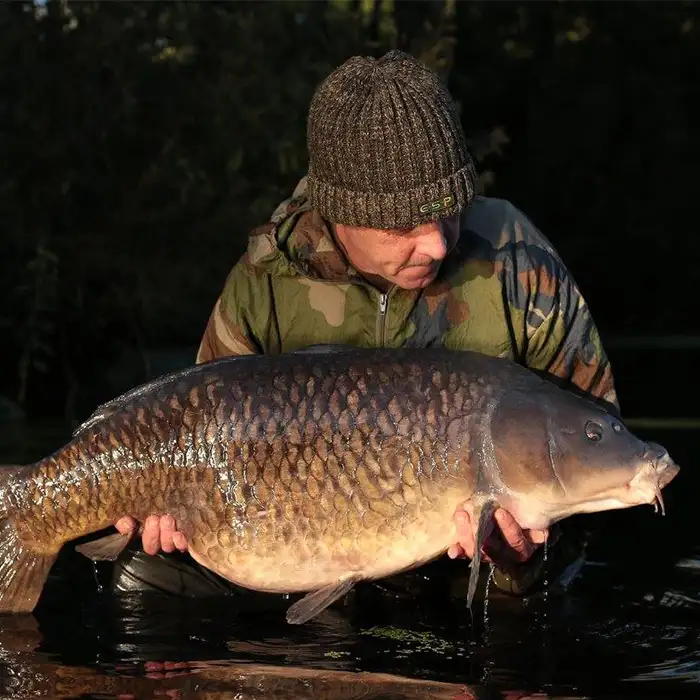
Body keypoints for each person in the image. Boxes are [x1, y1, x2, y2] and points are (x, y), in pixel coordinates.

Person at [109, 50, 620, 602]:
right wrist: (168, 514)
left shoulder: (518, 261)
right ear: (339, 213)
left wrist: (530, 546)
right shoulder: (265, 280)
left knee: (533, 605)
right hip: (292, 550)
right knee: (145, 581)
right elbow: (195, 429)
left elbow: (594, 434)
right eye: (404, 223)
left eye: (449, 209)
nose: (438, 243)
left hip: (463, 562)